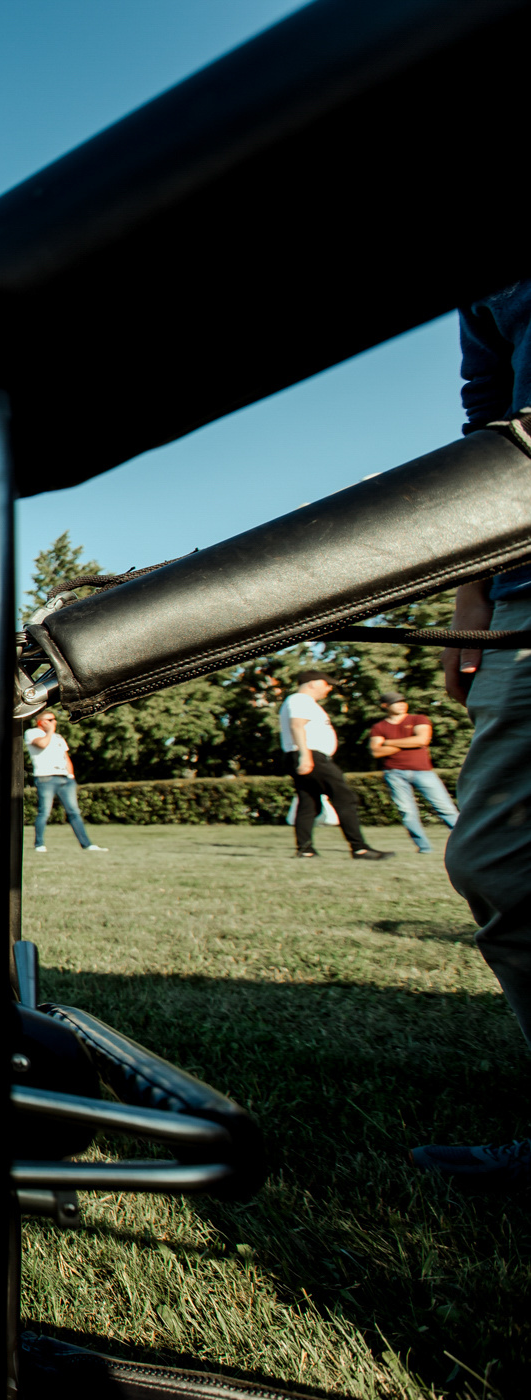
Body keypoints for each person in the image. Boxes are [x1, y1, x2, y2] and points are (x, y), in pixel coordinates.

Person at [409, 279, 531, 1192]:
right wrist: (472, 585)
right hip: (526, 595)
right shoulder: (491, 270)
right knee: (496, 858)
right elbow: (488, 422)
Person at [277, 670, 392, 861]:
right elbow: (297, 726)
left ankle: (305, 849)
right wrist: (306, 756)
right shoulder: (301, 700)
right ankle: (359, 848)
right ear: (313, 683)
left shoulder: (299, 701)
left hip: (301, 754)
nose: (329, 688)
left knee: (309, 803)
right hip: (310, 754)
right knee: (345, 798)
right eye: (326, 683)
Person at [366, 690, 457, 854]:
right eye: (396, 702)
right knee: (407, 813)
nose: (401, 704)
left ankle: (465, 842)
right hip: (394, 773)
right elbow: (376, 752)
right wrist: (409, 742)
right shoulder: (379, 727)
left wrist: (388, 743)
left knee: (446, 809)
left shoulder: (418, 719)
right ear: (385, 706)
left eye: (403, 701)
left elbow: (422, 740)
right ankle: (424, 848)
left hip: (423, 772)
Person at [23, 709, 105, 853]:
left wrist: (71, 776)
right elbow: (42, 744)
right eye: (50, 720)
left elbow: (65, 757)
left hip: (65, 778)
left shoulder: (58, 737)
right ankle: (39, 844)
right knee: (44, 812)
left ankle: (87, 844)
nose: (53, 722)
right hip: (46, 777)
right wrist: (49, 732)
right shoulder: (32, 733)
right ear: (40, 722)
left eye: (54, 719)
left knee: (74, 812)